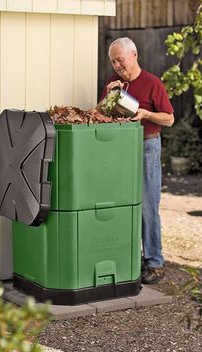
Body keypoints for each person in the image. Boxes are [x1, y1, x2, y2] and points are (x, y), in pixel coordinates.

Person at [98, 37, 174, 284]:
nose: (117, 65)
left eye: (120, 59)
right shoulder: (113, 83)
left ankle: (155, 263)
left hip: (146, 146)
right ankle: (130, 259)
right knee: (121, 205)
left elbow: (169, 119)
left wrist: (147, 113)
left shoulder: (152, 83)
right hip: (118, 150)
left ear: (134, 55)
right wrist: (107, 98)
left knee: (147, 206)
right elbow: (99, 114)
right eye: (113, 61)